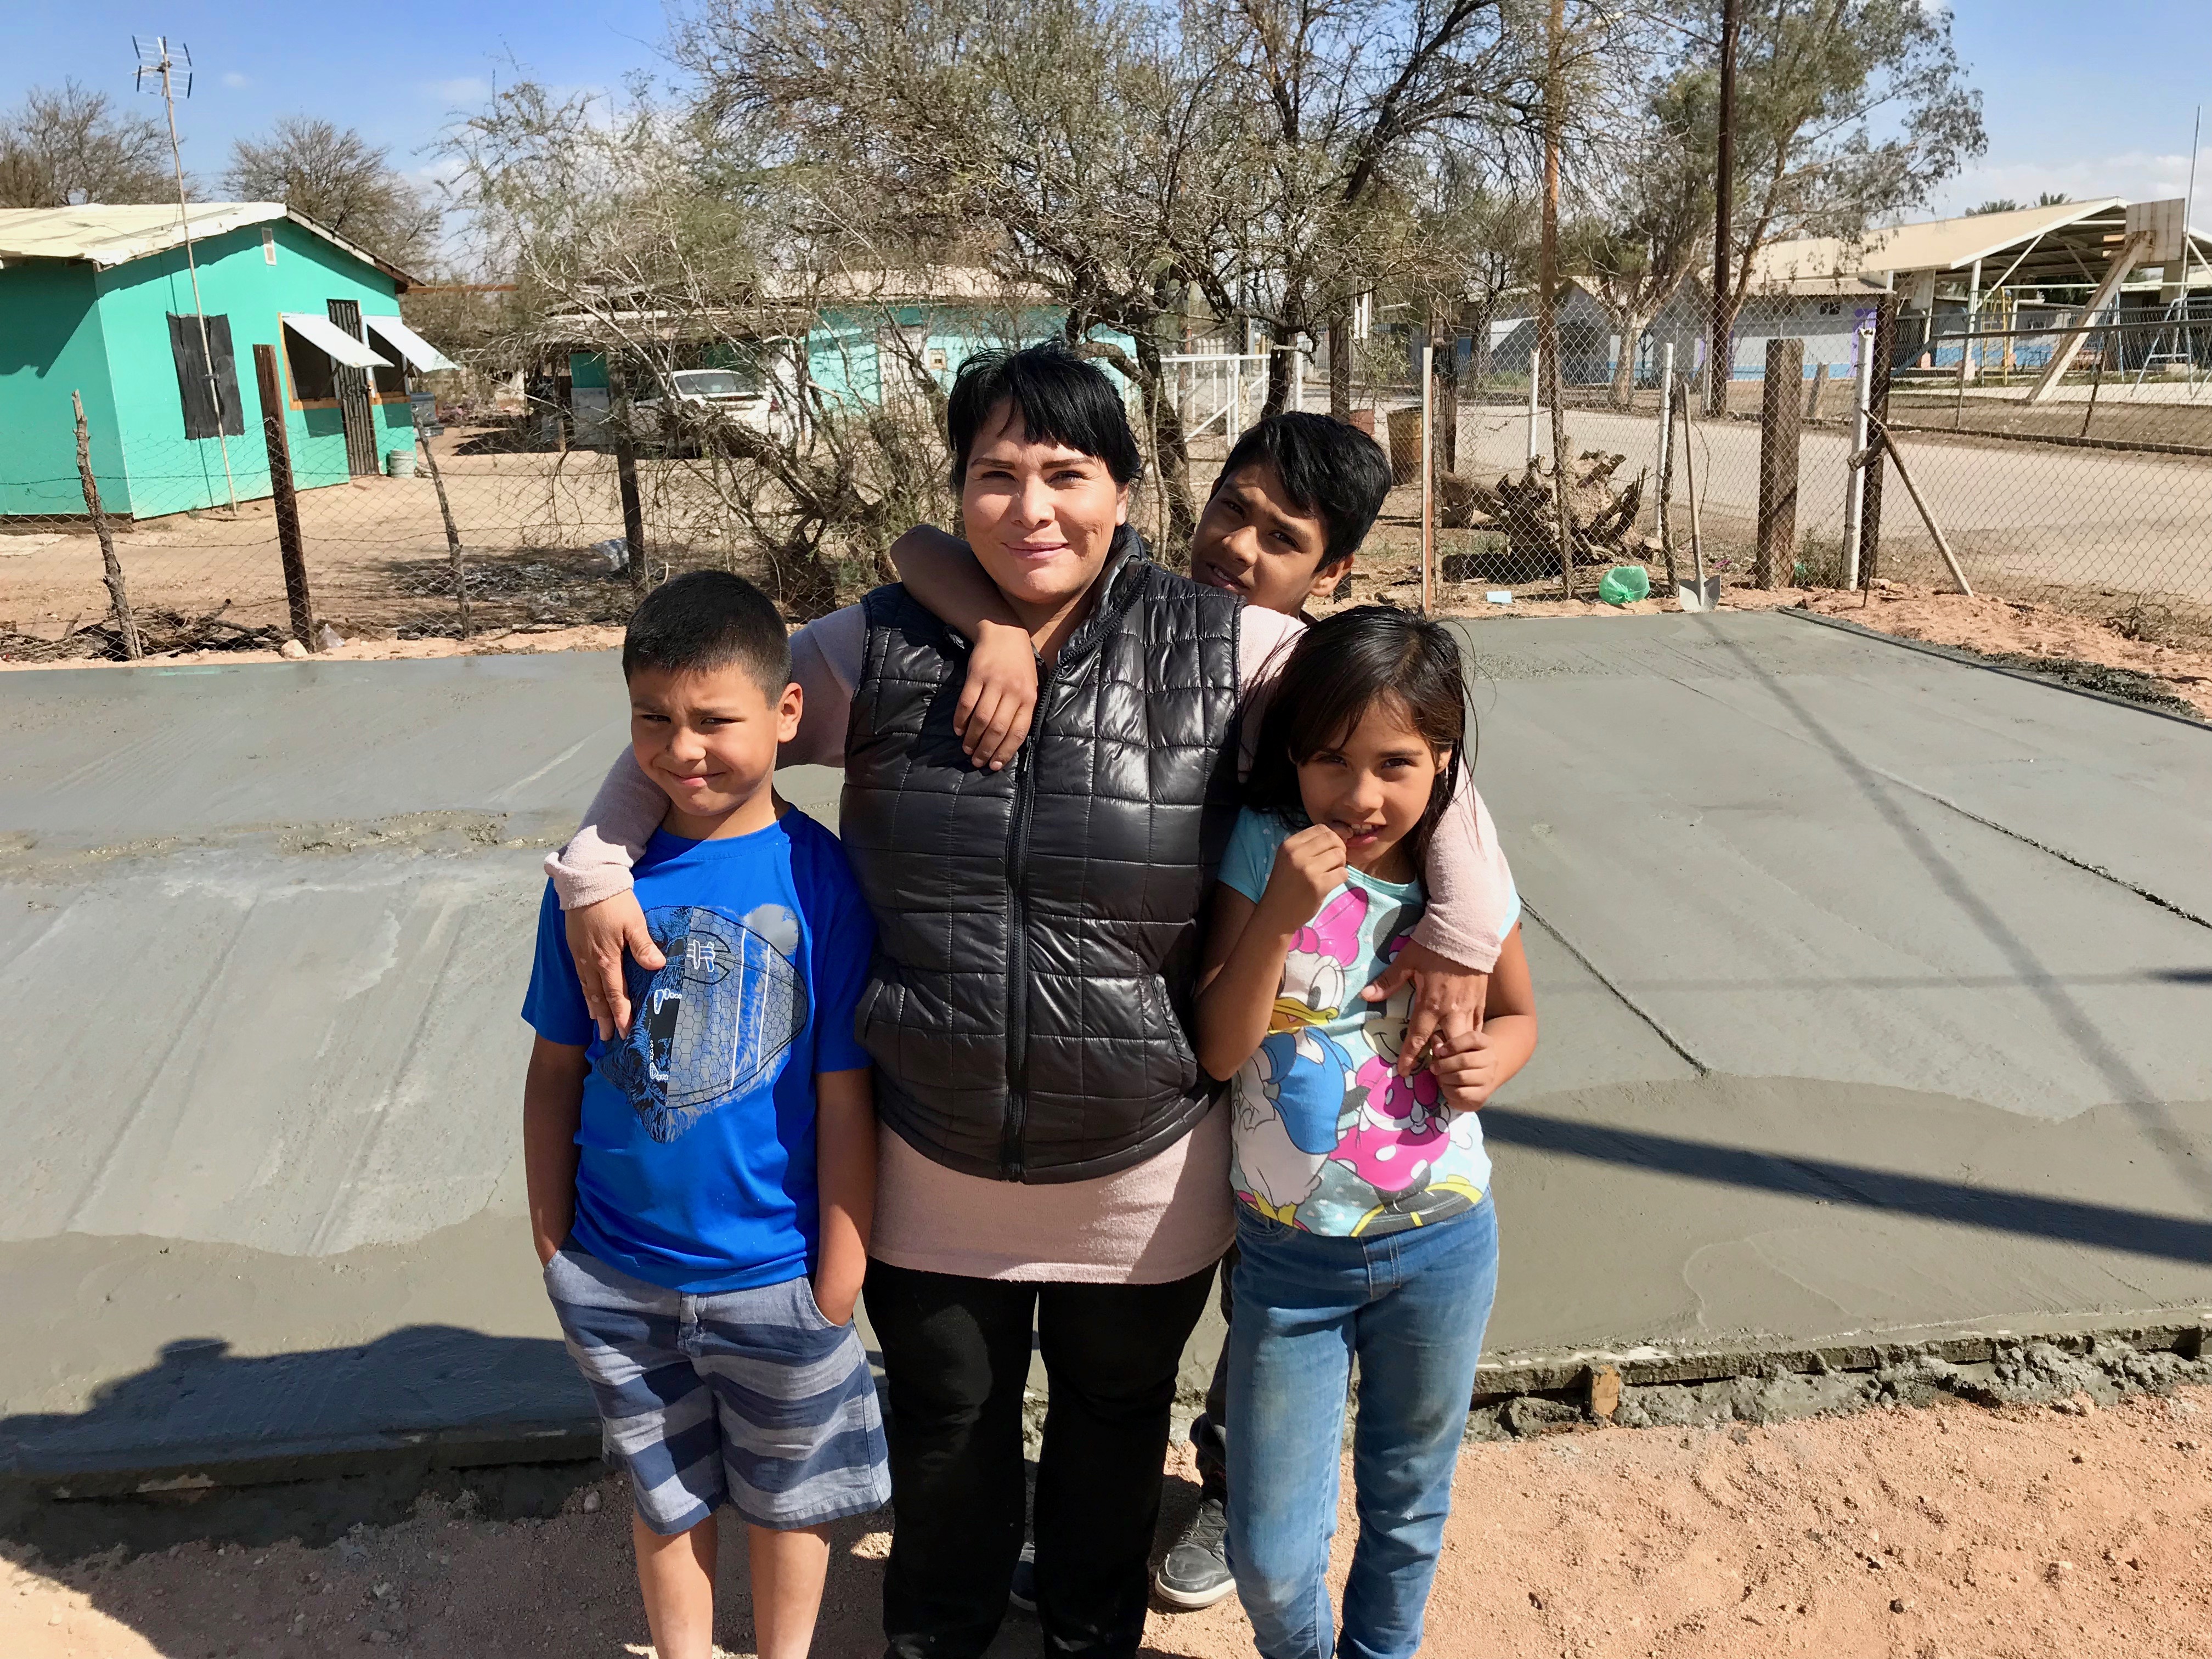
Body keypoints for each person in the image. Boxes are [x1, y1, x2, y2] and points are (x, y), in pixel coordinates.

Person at [545, 345, 1517, 1659]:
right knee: (949, 1435)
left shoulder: (1232, 650)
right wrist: (598, 863)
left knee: (1114, 1435)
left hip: (1142, 1164)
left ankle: (1084, 1635)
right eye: (994, 476)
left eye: (1066, 471)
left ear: (1122, 491)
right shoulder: (877, 649)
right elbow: (703, 722)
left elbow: (1410, 749)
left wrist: (1458, 931)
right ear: (956, 494)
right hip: (933, 1158)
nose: (1031, 507)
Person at [888, 411, 1459, 1611]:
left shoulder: (1284, 674)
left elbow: (1436, 762)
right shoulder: (1119, 600)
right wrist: (991, 623)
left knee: (1255, 1339)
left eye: (1282, 537)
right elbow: (918, 546)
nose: (1239, 547)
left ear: (1332, 573)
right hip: (1176, 1057)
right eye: (1230, 511)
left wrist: (1461, 933)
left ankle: (1223, 1497)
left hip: (1245, 1076)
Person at [520, 571, 888, 1659]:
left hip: (778, 1278)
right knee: (667, 1495)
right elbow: (554, 1072)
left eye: (714, 721)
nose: (683, 750)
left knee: (789, 1501)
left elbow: (843, 1095)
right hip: (620, 1272)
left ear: (786, 715)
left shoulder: (823, 883)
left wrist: (839, 1276)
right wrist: (553, 1243)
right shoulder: (592, 890)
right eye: (654, 719)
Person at [1195, 606, 1537, 1659]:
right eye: (1332, 761)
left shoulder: (1459, 878)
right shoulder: (1265, 851)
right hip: (1289, 1266)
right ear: (1294, 756)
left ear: (1443, 762)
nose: (1361, 795)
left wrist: (1498, 1058)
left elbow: (1523, 1014)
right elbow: (1217, 1046)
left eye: (1396, 763)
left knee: (1406, 1501)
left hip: (1442, 1246)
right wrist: (1282, 915)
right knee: (1269, 1549)